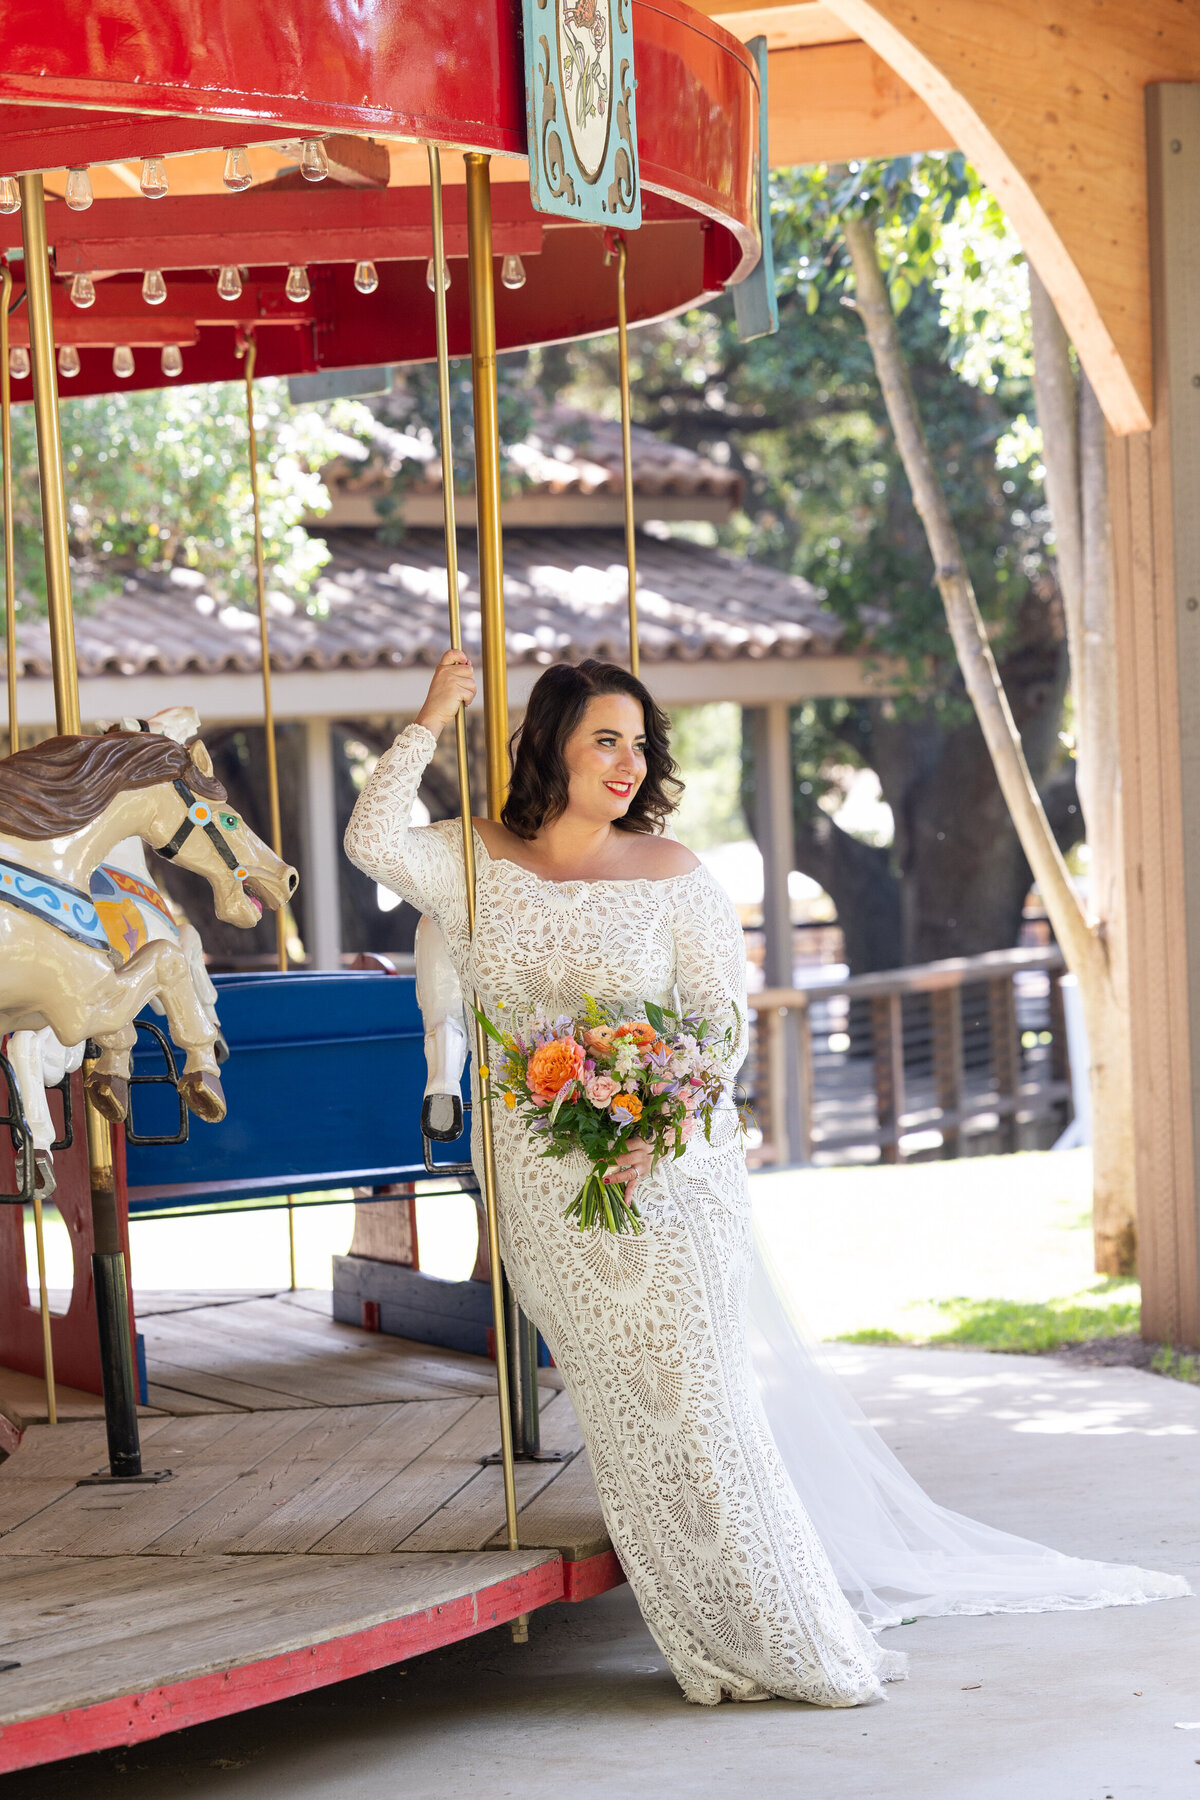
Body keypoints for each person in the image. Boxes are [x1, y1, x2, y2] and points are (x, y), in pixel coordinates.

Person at [344, 651, 1188, 1708]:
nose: (627, 761)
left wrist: (657, 1118)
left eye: (640, 744)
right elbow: (368, 839)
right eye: (605, 737)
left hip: (670, 1178)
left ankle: (786, 1633)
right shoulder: (467, 858)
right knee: (627, 1417)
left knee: (701, 1404)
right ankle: (709, 1628)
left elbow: (718, 1029)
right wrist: (429, 717)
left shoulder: (672, 873)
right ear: (550, 739)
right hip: (546, 1191)